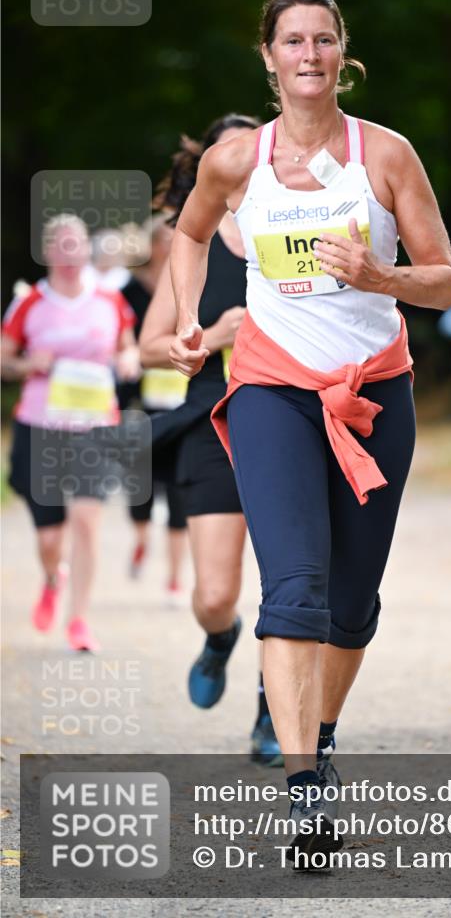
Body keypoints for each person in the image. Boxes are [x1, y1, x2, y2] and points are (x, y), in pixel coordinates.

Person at [168, 0, 451, 864]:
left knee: (350, 602)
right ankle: (303, 790)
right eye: (291, 40)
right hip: (271, 391)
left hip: (373, 392)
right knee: (292, 589)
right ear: (268, 56)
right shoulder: (233, 161)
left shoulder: (387, 156)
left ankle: (319, 736)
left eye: (322, 40)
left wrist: (383, 278)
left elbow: (443, 279)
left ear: (342, 53)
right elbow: (187, 235)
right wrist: (188, 319)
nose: (307, 54)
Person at [141, 113, 281, 765]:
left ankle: (273, 715)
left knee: (290, 589)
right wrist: (208, 340)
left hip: (290, 420)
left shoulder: (294, 226)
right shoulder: (187, 242)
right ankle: (219, 639)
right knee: (217, 595)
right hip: (212, 423)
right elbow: (147, 348)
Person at [1, 214, 139, 651]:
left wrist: (130, 360)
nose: (68, 254)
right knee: (50, 536)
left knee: (86, 522)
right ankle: (50, 575)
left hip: (95, 426)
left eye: (75, 245)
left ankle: (78, 619)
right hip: (39, 425)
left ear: (86, 251)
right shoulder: (29, 303)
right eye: (59, 246)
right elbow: (4, 360)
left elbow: (127, 344)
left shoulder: (109, 300)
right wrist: (27, 364)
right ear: (47, 253)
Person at [118, 214, 189, 598]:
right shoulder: (130, 291)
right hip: (143, 403)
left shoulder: (191, 282)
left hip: (183, 402)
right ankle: (141, 537)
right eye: (165, 238)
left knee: (180, 490)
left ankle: (175, 577)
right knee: (141, 488)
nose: (171, 244)